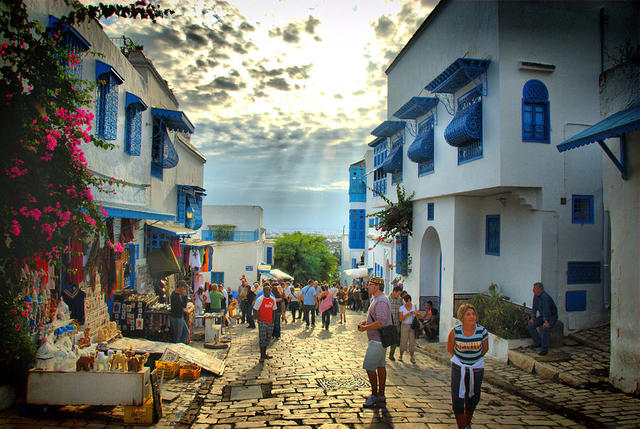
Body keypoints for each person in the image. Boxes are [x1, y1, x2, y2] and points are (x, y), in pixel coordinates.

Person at [447, 303, 489, 429]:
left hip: (476, 368)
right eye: (468, 314)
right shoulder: (456, 332)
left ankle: (467, 423)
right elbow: (450, 348)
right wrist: (462, 361)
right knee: (457, 398)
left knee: (473, 396)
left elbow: (484, 349)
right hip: (459, 367)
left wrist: (473, 360)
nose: (472, 317)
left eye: (473, 314)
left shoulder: (482, 331)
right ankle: (461, 426)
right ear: (462, 317)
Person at [357, 276, 392, 409]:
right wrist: (366, 322)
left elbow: (381, 322)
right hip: (379, 340)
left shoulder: (381, 301)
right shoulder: (377, 299)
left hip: (377, 341)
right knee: (380, 366)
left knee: (370, 367)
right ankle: (381, 395)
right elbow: (377, 318)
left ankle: (374, 394)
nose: (367, 286)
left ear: (377, 286)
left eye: (370, 284)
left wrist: (365, 328)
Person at [527, 282, 558, 356]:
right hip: (542, 316)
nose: (533, 290)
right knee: (531, 325)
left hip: (551, 316)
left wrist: (547, 321)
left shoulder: (545, 297)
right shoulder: (536, 296)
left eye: (534, 288)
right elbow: (534, 307)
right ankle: (538, 343)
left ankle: (544, 349)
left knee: (545, 327)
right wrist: (533, 317)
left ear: (539, 289)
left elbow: (547, 311)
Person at [253, 283, 276, 362]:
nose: (267, 292)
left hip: (270, 321)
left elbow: (274, 310)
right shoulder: (260, 299)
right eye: (266, 290)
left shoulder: (273, 299)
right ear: (264, 291)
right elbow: (255, 309)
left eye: (269, 290)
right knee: (262, 338)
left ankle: (265, 353)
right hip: (262, 321)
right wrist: (259, 318)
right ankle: (262, 355)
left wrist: (273, 319)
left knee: (268, 338)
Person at [398, 294, 418, 363]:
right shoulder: (402, 308)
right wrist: (407, 315)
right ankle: (401, 355)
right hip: (405, 325)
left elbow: (420, 316)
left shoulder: (415, 307)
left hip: (412, 326)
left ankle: (412, 357)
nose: (407, 303)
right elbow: (400, 319)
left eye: (408, 302)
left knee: (412, 342)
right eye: (406, 302)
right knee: (403, 340)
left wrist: (416, 313)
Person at [387, 286, 403, 361]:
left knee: (395, 340)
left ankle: (391, 354)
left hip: (396, 323)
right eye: (398, 294)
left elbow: (402, 309)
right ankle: (382, 355)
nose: (399, 295)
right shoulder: (387, 299)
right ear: (394, 292)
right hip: (388, 323)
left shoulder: (400, 300)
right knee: (386, 339)